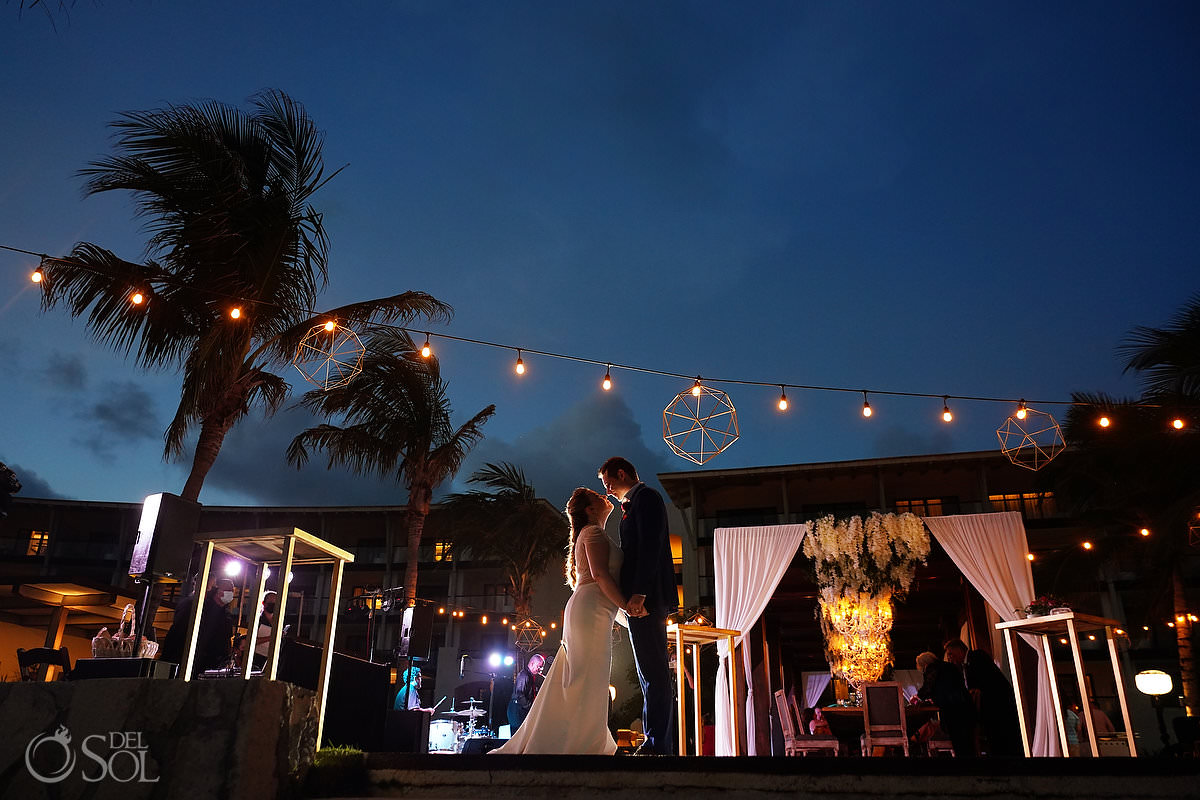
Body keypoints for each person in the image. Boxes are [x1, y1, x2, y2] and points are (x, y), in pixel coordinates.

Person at [492, 487, 645, 754]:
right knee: (586, 677)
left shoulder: (593, 534)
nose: (604, 496)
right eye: (598, 497)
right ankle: (582, 742)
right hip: (591, 611)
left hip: (594, 609)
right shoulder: (594, 533)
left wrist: (624, 614)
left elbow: (602, 582)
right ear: (590, 509)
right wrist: (627, 608)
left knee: (586, 677)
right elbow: (599, 575)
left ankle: (580, 739)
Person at [598, 457, 678, 755]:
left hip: (647, 599)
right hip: (641, 599)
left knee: (654, 673)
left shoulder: (647, 497)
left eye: (608, 482)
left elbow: (651, 545)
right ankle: (656, 741)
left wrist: (639, 593)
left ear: (621, 474)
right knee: (649, 673)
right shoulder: (635, 503)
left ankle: (659, 745)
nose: (606, 489)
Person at [159, 577, 236, 674]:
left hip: (212, 664)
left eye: (232, 591)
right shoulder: (193, 605)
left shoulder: (225, 613)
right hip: (189, 661)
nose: (231, 594)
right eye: (228, 590)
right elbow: (179, 632)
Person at [915, 648, 977, 757]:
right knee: (967, 739)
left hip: (952, 707)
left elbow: (928, 687)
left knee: (957, 738)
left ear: (924, 664)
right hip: (966, 705)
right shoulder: (949, 666)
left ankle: (965, 764)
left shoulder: (932, 668)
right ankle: (972, 762)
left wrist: (917, 697)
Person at [964, 648, 1023, 756]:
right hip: (997, 702)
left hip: (996, 704)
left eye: (950, 654)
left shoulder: (976, 657)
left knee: (1002, 737)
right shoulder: (972, 659)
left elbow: (978, 684)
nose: (949, 658)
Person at [507, 653, 546, 733]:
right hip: (517, 710)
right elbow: (520, 695)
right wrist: (531, 707)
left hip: (520, 709)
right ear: (532, 664)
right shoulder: (524, 675)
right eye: (539, 666)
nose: (541, 669)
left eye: (542, 667)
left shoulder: (530, 676)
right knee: (518, 735)